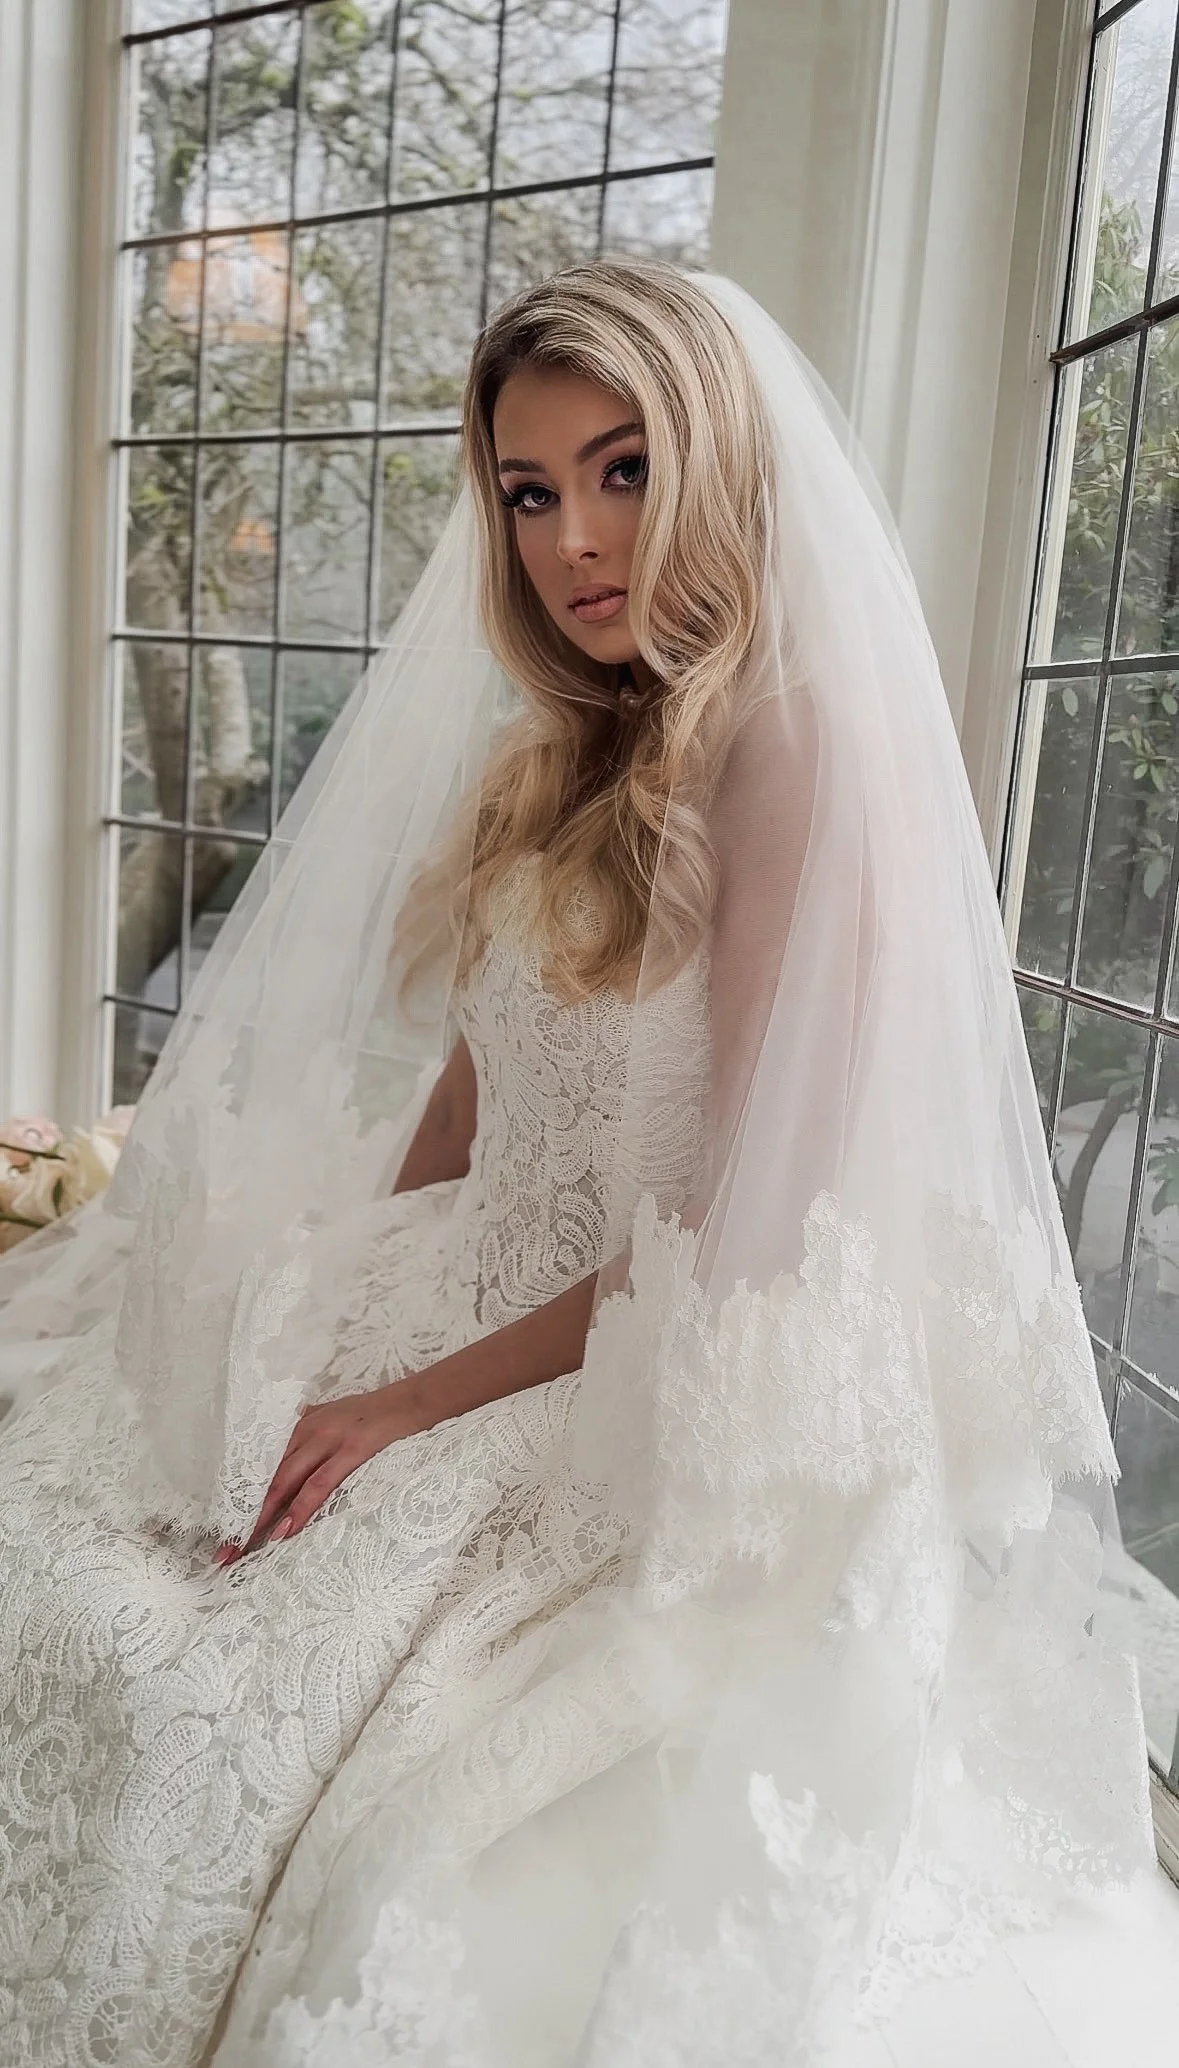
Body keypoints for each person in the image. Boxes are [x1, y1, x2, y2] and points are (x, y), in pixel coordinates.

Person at [0, 261, 1154, 2068]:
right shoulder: (573, 754)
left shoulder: (791, 748)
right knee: (61, 1508)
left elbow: (716, 1228)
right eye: (529, 493)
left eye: (619, 470)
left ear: (712, 459)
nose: (569, 541)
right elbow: (478, 1090)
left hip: (625, 1354)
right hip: (456, 1279)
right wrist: (312, 1297)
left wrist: (397, 1406)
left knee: (198, 1699)